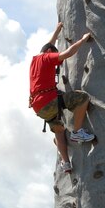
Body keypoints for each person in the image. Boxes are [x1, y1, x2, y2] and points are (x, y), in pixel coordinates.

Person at [29, 21, 94, 174]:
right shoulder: (48, 58)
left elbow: (47, 45)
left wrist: (57, 31)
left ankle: (66, 163)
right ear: (50, 52)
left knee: (58, 130)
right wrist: (83, 39)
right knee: (82, 98)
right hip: (50, 101)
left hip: (39, 108)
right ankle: (77, 132)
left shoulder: (35, 60)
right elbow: (68, 53)